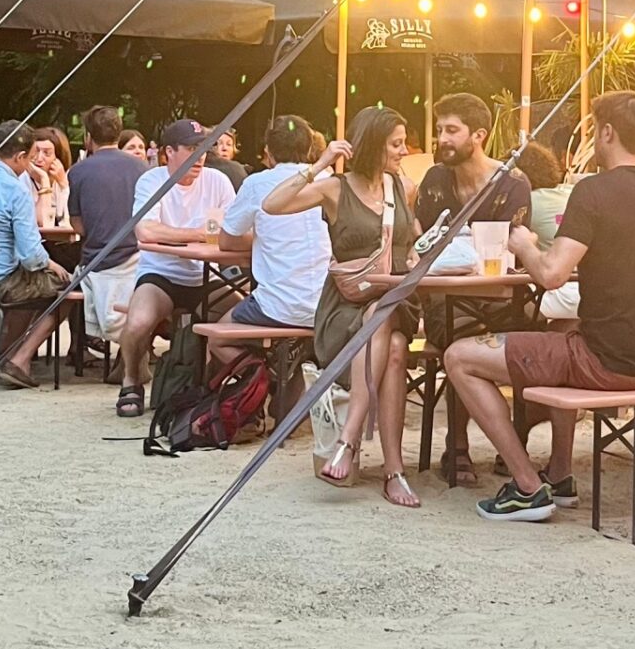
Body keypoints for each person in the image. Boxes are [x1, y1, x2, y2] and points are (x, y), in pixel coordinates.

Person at [444, 91, 635, 521]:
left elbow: (552, 274)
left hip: (605, 361)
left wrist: (524, 245)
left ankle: (526, 486)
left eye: (595, 132)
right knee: (561, 332)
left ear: (608, 133)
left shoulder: (593, 192)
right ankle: (559, 474)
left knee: (459, 356)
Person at [263, 106, 422, 508]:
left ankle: (349, 442)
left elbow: (413, 235)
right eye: (396, 144)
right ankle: (394, 471)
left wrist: (419, 254)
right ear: (372, 145)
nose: (405, 151)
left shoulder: (401, 187)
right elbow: (272, 205)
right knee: (396, 348)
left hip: (395, 298)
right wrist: (317, 164)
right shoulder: (335, 189)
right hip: (344, 308)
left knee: (383, 316)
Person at [414, 92, 533, 485]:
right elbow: (424, 245)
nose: (442, 139)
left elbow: (510, 248)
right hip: (443, 300)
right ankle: (458, 443)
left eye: (451, 130)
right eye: (439, 131)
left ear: (478, 135)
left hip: (499, 298)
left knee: (541, 334)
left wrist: (456, 251)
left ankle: (514, 441)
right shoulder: (433, 180)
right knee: (459, 333)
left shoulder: (512, 183)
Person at [115, 119, 237, 418]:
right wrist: (198, 234)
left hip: (207, 275)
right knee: (137, 323)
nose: (201, 156)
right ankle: (131, 380)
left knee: (245, 319)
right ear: (169, 152)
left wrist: (193, 234)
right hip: (162, 274)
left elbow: (230, 228)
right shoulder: (152, 180)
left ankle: (209, 384)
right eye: (192, 148)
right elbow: (145, 230)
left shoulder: (217, 181)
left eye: (204, 148)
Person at [211, 116, 332, 367]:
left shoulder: (257, 183)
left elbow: (227, 241)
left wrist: (262, 238)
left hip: (277, 308)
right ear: (310, 148)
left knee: (217, 339)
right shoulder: (329, 182)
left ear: (268, 151)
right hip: (327, 308)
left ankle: (261, 382)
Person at [0, 121, 71, 388]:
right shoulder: (15, 190)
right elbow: (31, 257)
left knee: (27, 284)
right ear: (20, 157)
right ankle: (17, 359)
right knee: (66, 287)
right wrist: (51, 263)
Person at [67, 105, 147, 347]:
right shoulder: (141, 168)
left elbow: (78, 225)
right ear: (119, 132)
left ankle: (80, 347)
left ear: (88, 137)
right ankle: (134, 354)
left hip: (97, 260)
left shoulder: (78, 171)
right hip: (137, 258)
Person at [24, 127, 71, 228]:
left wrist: (64, 185)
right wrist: (44, 179)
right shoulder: (23, 180)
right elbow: (40, 222)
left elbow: (68, 221)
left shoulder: (68, 178)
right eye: (35, 151)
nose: (39, 158)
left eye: (47, 153)